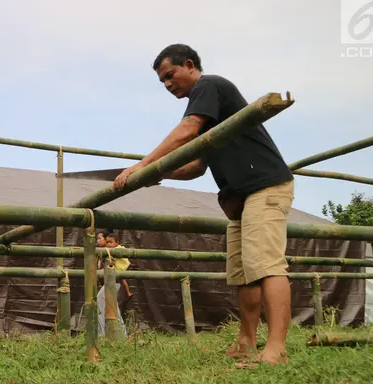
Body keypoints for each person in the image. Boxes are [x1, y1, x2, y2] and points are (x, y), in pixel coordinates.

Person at [113, 44, 294, 366]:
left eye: (170, 75)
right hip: (239, 198)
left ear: (189, 65)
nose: (168, 85)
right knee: (242, 273)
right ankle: (246, 342)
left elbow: (186, 130)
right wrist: (157, 174)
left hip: (264, 186)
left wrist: (142, 165)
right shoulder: (211, 119)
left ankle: (277, 348)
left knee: (266, 266)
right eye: (162, 82)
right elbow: (195, 167)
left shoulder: (208, 86)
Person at [96, 230, 131, 337]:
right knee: (113, 307)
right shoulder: (104, 252)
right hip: (111, 283)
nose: (98, 241)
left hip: (114, 282)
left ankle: (101, 334)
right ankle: (123, 334)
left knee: (100, 302)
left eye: (99, 238)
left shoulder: (115, 251)